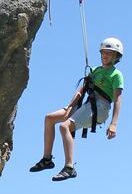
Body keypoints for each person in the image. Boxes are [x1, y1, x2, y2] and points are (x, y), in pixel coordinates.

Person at [29, 36, 125, 181]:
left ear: (116, 56)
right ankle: (47, 159)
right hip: (87, 105)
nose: (105, 55)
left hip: (100, 107)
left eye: (109, 53)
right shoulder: (95, 71)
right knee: (49, 118)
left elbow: (118, 99)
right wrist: (70, 106)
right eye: (104, 52)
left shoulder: (116, 75)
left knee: (64, 127)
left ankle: (69, 167)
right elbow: (81, 91)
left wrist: (114, 124)